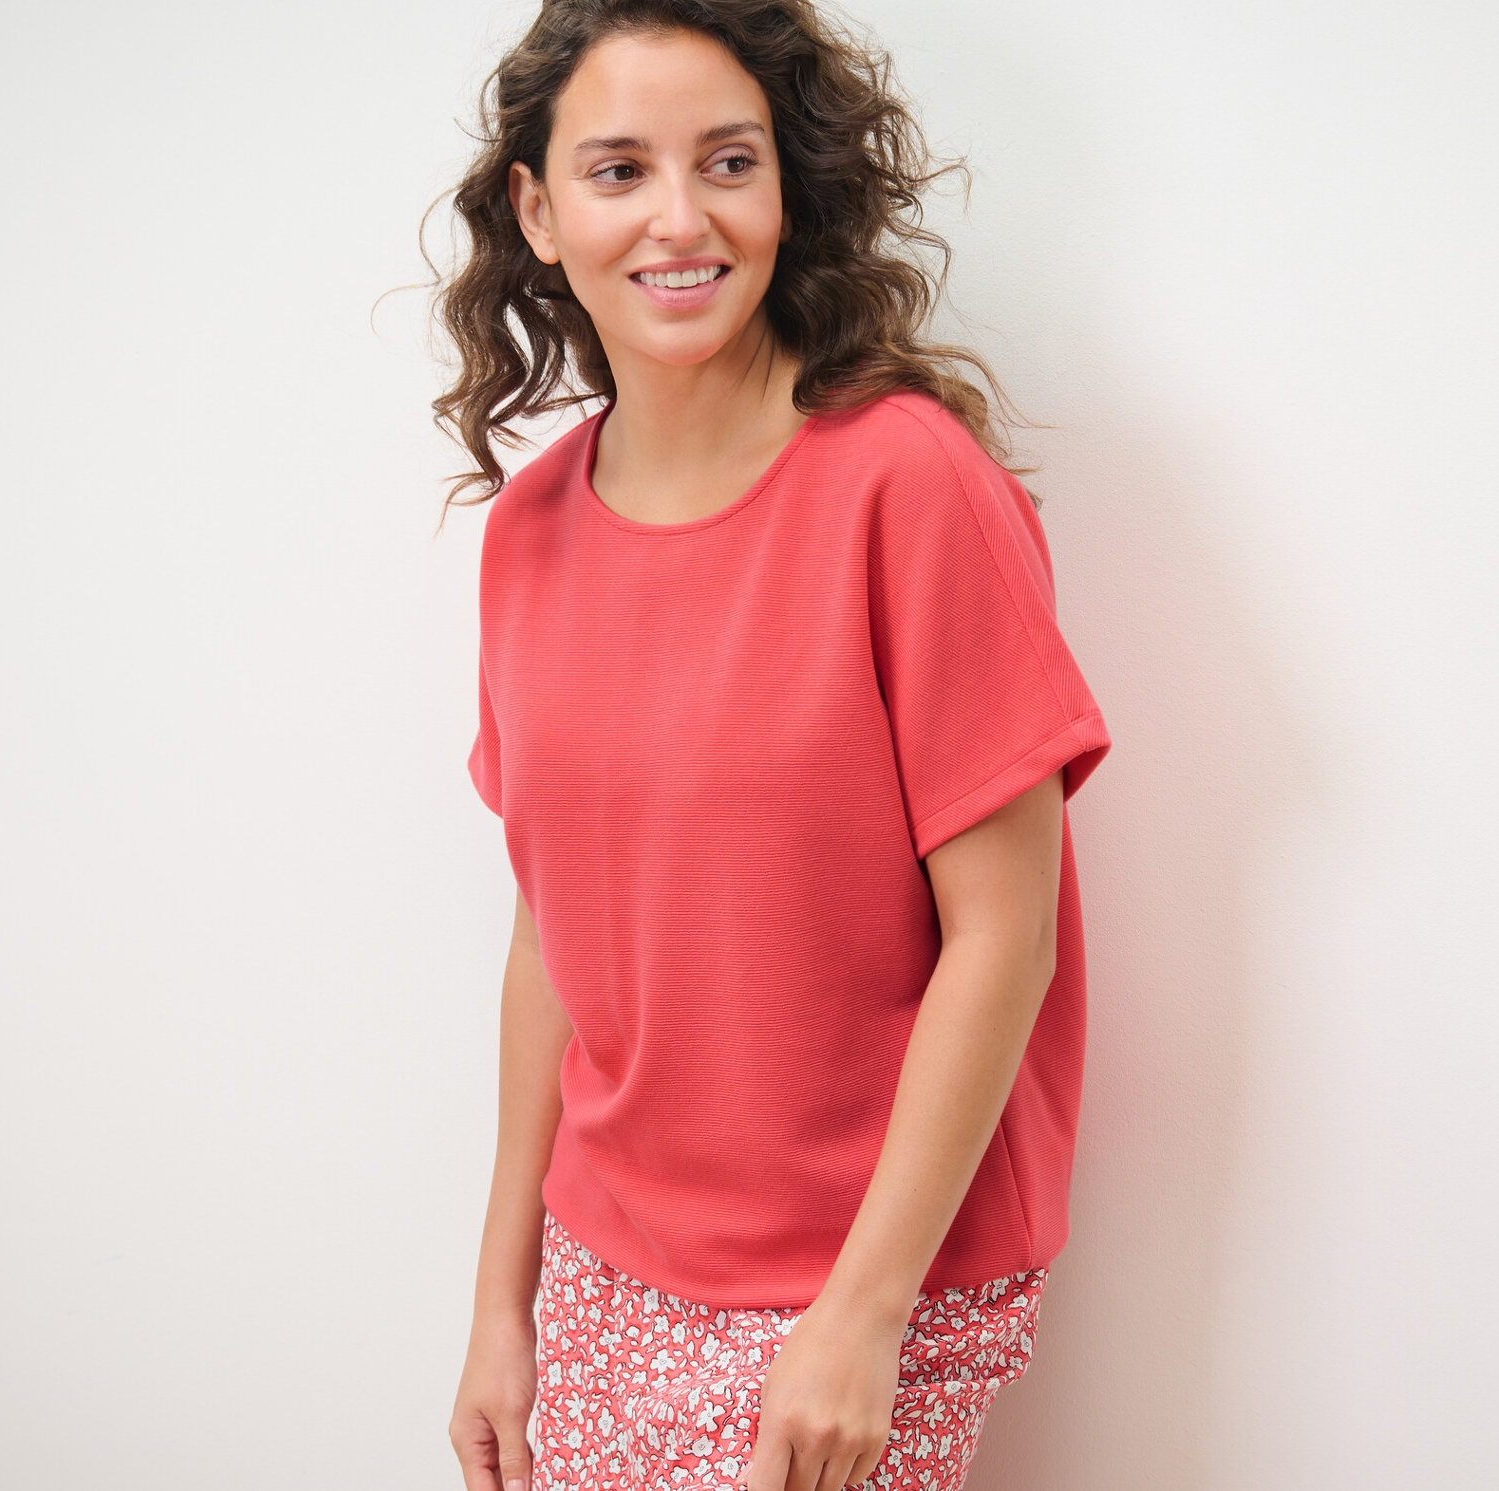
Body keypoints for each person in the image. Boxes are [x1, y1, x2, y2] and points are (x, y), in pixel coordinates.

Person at [430, 4, 1111, 1489]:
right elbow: (557, 931)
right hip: (610, 1253)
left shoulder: (902, 483)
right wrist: (502, 1296)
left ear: (786, 187)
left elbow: (1004, 939)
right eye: (617, 171)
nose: (681, 218)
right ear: (538, 213)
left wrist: (860, 1319)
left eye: (726, 161)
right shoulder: (530, 536)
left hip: (879, 1274)